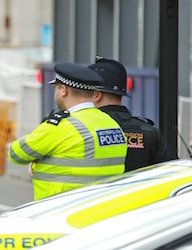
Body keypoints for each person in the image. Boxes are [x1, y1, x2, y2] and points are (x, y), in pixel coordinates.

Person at [9, 63, 128, 200]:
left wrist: (36, 162)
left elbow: (16, 153)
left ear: (63, 90)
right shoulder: (111, 124)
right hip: (99, 209)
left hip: (59, 209)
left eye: (56, 88)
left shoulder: (61, 126)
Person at [88, 57, 177, 171]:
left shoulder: (84, 130)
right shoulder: (148, 132)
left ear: (96, 95)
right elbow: (172, 172)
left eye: (84, 94)